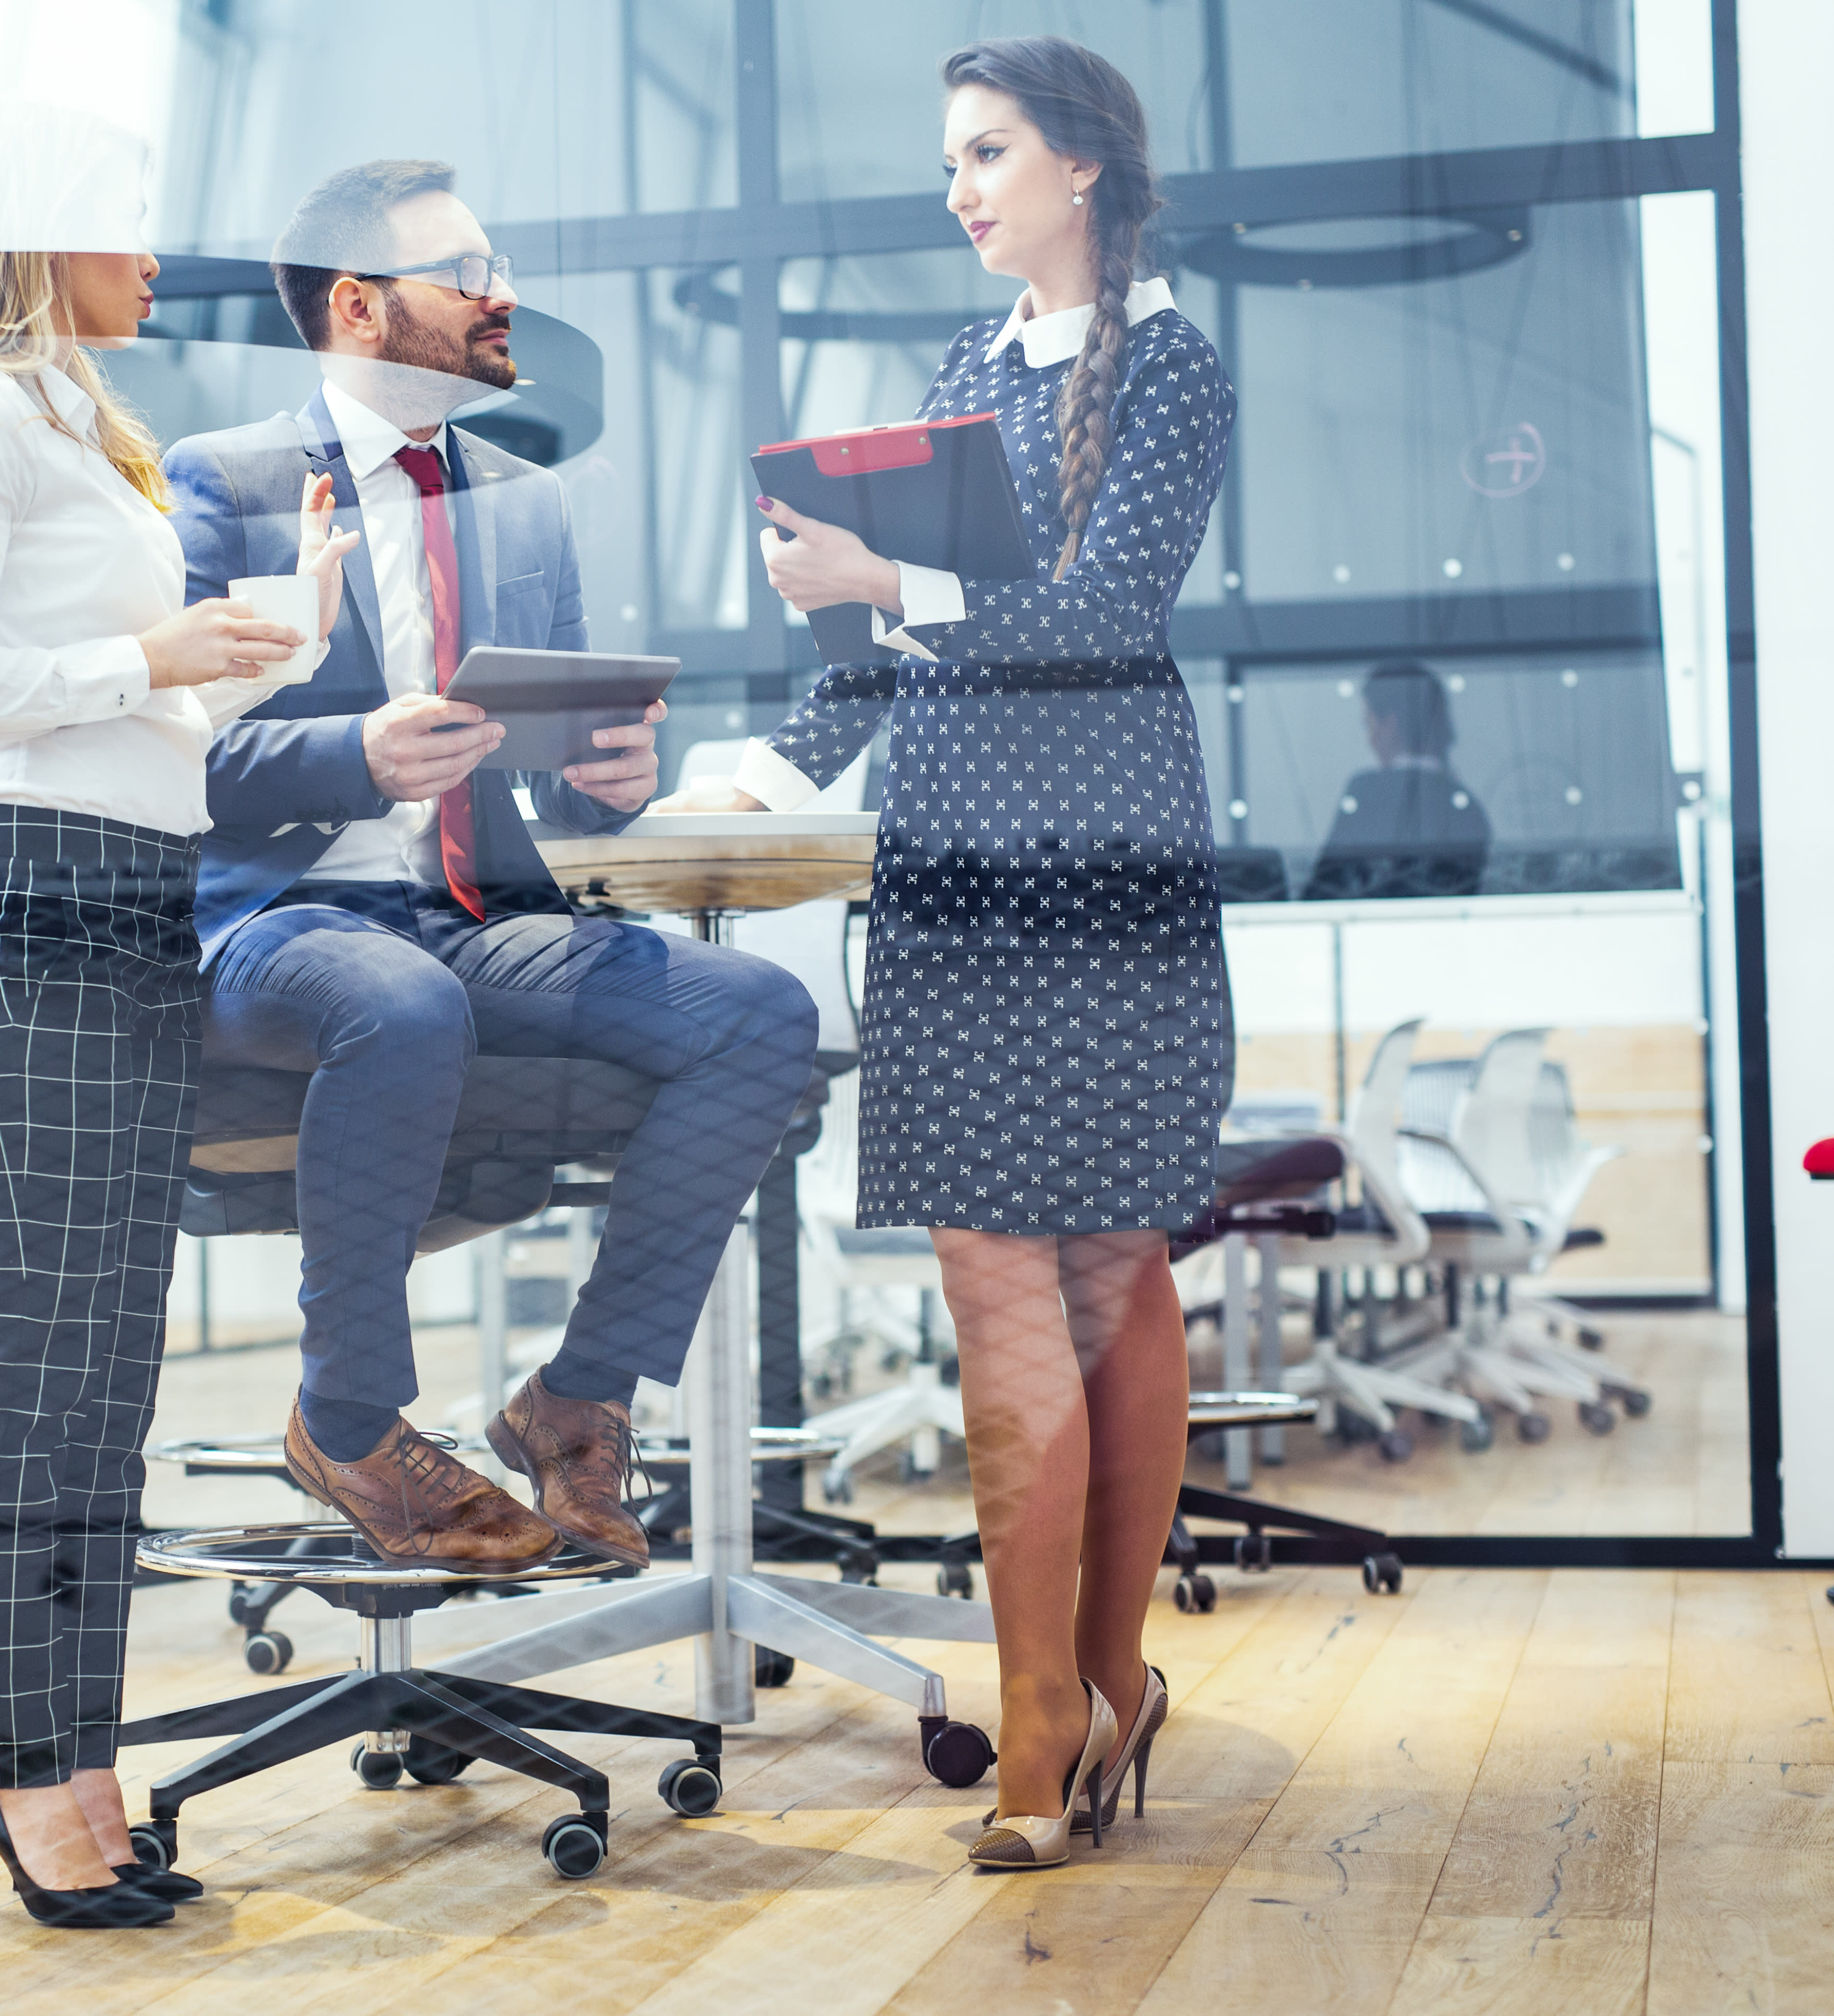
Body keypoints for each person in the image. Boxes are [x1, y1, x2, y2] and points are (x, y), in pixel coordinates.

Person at [661, 38, 1234, 1870]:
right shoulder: (960, 373)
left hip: (1111, 861)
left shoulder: (1176, 370)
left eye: (990, 152)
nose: (964, 185)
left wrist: (883, 586)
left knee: (1111, 1269)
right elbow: (890, 653)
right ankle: (1049, 1702)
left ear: (1082, 170)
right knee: (1008, 1283)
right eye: (949, 160)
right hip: (962, 871)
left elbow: (1097, 614)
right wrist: (765, 767)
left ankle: (1105, 1670)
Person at [162, 159, 818, 1573]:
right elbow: (178, 762)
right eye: (462, 272)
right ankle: (348, 1420)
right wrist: (356, 754)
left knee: (759, 1014)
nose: (499, 294)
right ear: (358, 305)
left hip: (473, 911)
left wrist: (611, 788)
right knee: (398, 1001)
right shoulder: (229, 481)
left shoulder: (521, 500)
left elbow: (559, 781)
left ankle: (580, 1395)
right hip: (280, 919)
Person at [0, 102, 356, 1930]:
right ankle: (10, 1765)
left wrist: (272, 639)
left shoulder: (87, 426)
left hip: (133, 894)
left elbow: (141, 732)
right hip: (26, 913)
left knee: (107, 1387)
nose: (158, 254)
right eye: (129, 222)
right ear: (36, 231)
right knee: (28, 1377)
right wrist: (149, 655)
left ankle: (76, 1754)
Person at [1302, 660, 1493, 899]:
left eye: (1368, 725)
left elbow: (1325, 888)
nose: (1370, 740)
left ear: (1389, 726)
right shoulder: (1471, 809)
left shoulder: (1366, 794)